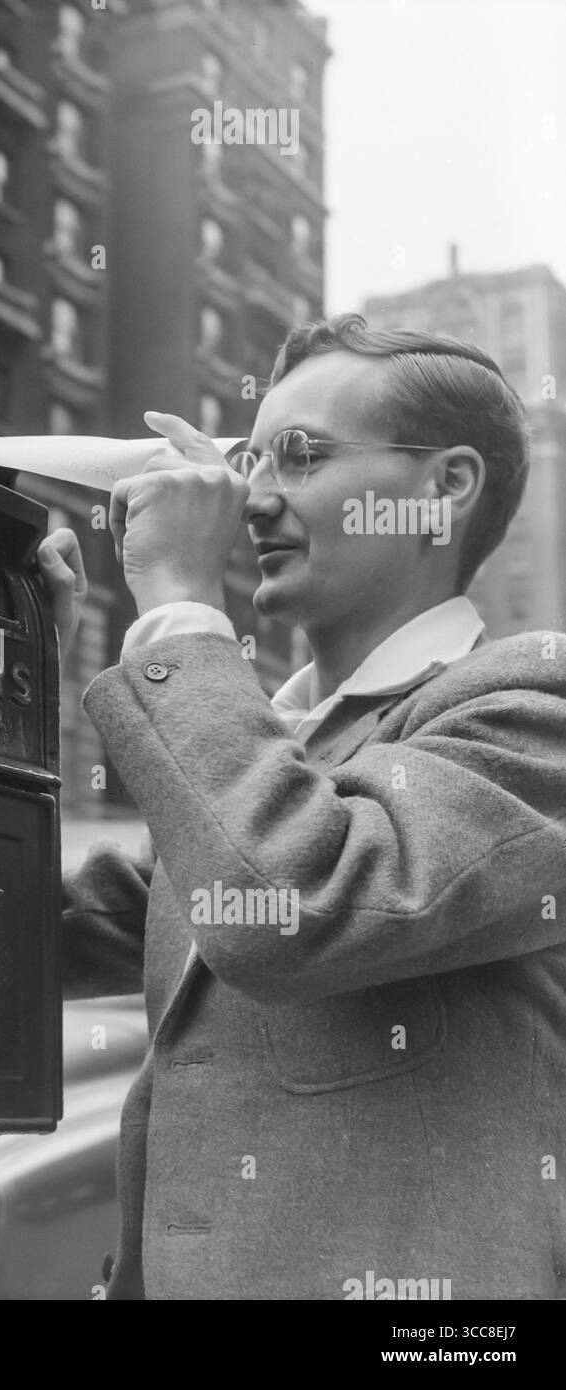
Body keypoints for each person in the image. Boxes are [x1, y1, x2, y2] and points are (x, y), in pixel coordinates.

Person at [36, 313, 566, 1300]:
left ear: (445, 487)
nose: (252, 498)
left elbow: (293, 901)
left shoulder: (537, 704)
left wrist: (180, 604)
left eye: (302, 456)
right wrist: (6, 679)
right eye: (248, 461)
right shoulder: (268, 754)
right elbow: (7, 942)